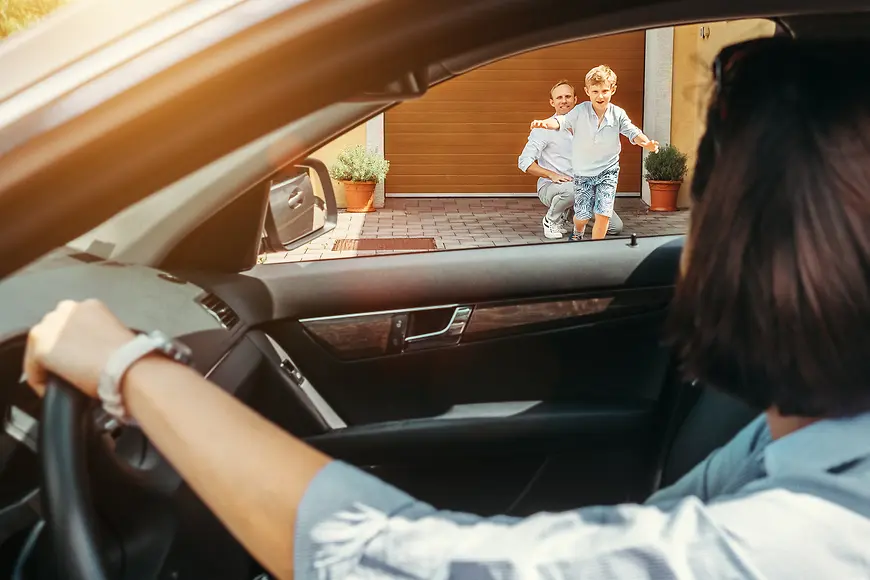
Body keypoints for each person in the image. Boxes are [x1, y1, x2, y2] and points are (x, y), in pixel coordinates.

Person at [24, 37, 870, 579]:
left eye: (705, 211)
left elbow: (410, 565)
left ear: (739, 248)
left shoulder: (818, 534)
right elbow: (651, 532)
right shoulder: (791, 439)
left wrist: (129, 369)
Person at [531, 66, 658, 240]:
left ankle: (595, 246)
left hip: (608, 172)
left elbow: (632, 132)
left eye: (605, 91)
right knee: (582, 217)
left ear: (612, 90)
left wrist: (646, 143)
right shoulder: (580, 111)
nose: (600, 96)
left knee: (604, 215)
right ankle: (576, 229)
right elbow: (561, 121)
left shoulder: (618, 114)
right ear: (587, 92)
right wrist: (544, 124)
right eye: (595, 91)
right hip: (583, 175)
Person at [518, 79, 623, 239]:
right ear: (552, 102)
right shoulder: (543, 130)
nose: (564, 101)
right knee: (573, 190)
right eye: (559, 98)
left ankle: (568, 215)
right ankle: (551, 220)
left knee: (615, 227)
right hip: (552, 188)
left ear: (575, 100)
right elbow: (524, 162)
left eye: (568, 96)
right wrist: (551, 175)